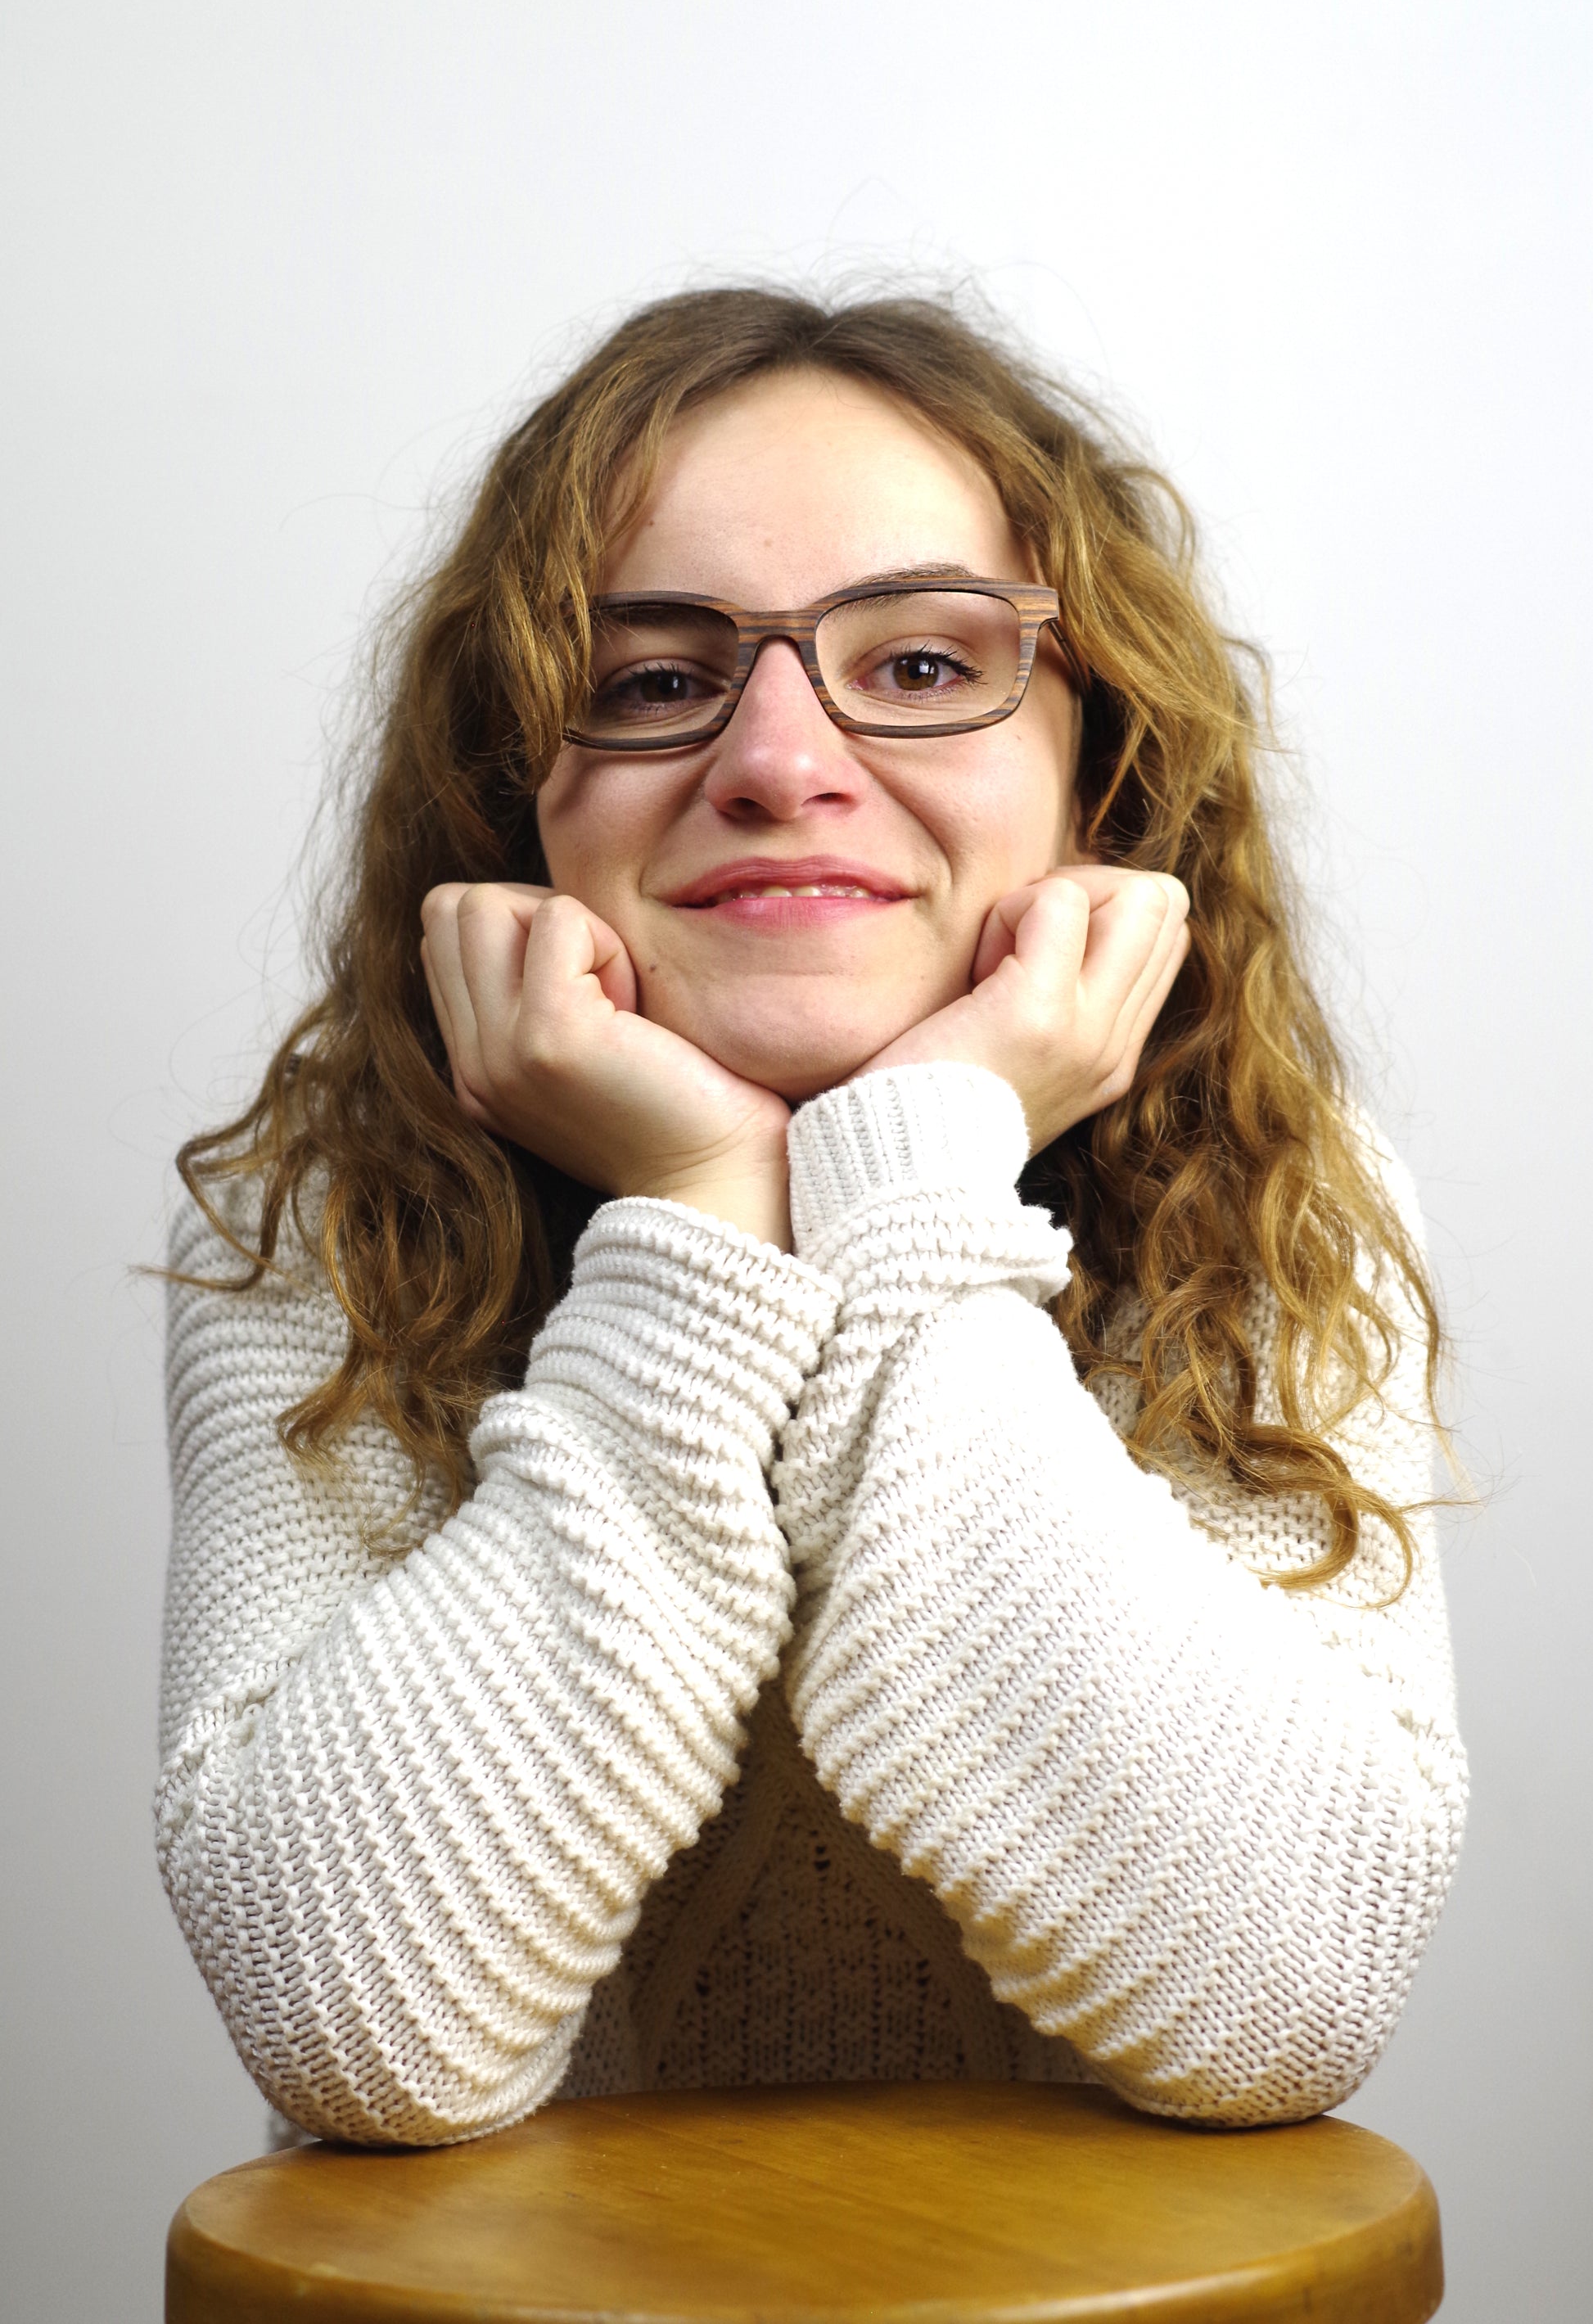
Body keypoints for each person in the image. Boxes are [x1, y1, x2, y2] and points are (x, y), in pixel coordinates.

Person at [157, 287, 1466, 2149]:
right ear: (512, 797)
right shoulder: (325, 1222)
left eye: (921, 665)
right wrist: (701, 1213)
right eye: (652, 681)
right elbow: (357, 2030)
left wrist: (912, 1180)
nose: (778, 760)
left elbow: (1281, 1999)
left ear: (1099, 770)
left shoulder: (1273, 1198)